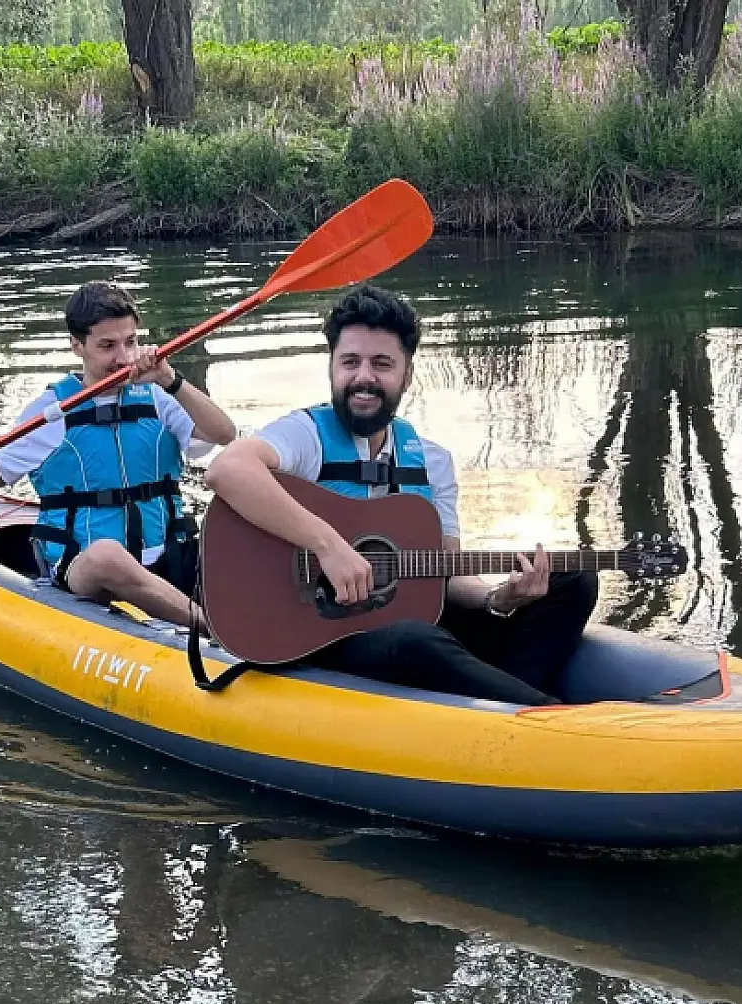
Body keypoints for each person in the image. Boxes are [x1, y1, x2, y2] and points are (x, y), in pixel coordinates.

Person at [203, 284, 598, 706]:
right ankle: (549, 716)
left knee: (575, 578)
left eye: (382, 364)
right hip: (322, 629)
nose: (363, 378)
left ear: (407, 374)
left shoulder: (431, 460)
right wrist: (328, 545)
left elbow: (446, 570)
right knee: (416, 640)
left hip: (400, 620)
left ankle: (497, 701)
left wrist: (499, 599)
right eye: (350, 362)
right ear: (332, 367)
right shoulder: (306, 433)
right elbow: (228, 468)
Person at [0, 281, 237, 628]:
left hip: (167, 557)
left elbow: (224, 434)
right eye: (107, 346)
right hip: (82, 566)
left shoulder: (159, 396)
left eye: (131, 342)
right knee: (107, 555)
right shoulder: (52, 411)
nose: (124, 357)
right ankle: (213, 630)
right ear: (77, 346)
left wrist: (170, 379)